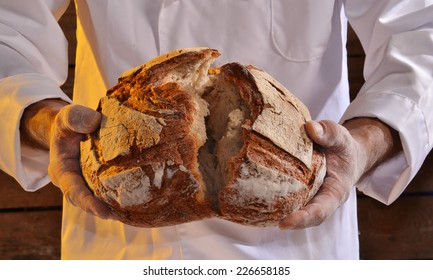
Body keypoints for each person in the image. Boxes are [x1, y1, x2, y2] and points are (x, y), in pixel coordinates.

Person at [0, 0, 432, 260]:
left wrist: (364, 143)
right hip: (122, 231)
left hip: (298, 242)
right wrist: (45, 120)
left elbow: (420, 27)